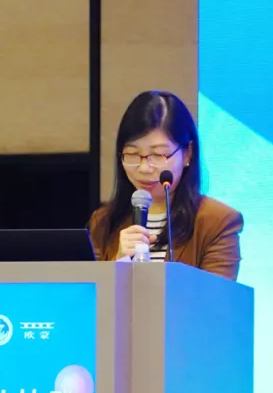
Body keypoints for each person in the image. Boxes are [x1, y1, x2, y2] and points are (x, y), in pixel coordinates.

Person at [87, 90, 244, 280]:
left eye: (158, 155)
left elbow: (216, 295)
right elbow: (88, 295)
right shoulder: (103, 222)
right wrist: (118, 263)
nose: (144, 168)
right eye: (133, 154)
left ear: (187, 153)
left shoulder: (218, 222)